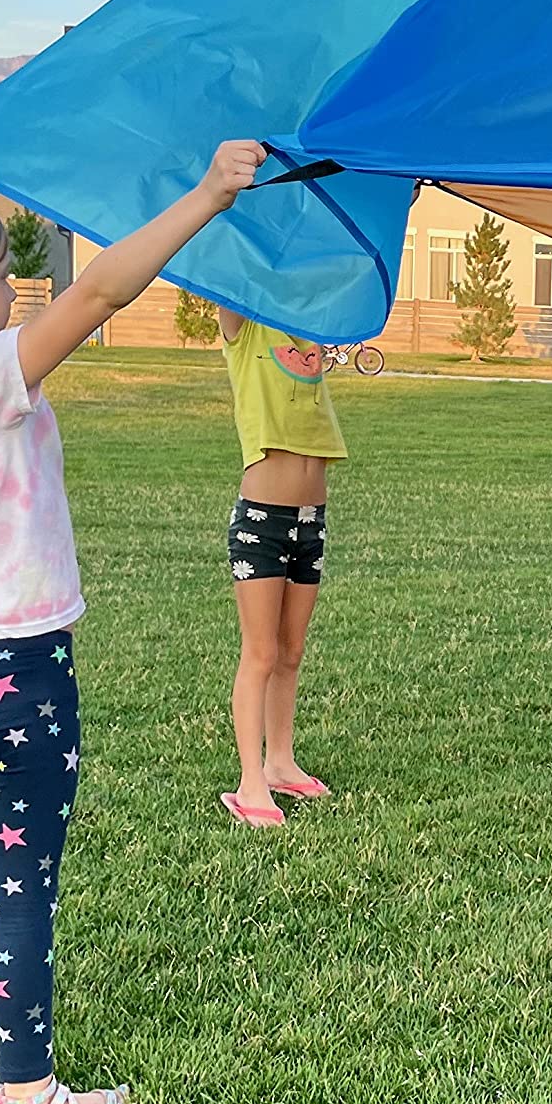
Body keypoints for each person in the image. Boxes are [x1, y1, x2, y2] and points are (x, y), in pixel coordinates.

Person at [0, 139, 268, 1104]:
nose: (17, 292)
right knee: (23, 890)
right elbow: (99, 296)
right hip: (17, 678)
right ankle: (29, 1094)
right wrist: (208, 192)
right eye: (2, 276)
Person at [214, 305, 347, 827]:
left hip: (312, 517)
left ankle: (280, 764)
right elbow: (228, 264)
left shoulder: (313, 329)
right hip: (261, 520)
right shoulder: (244, 327)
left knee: (291, 651)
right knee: (262, 651)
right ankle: (250, 784)